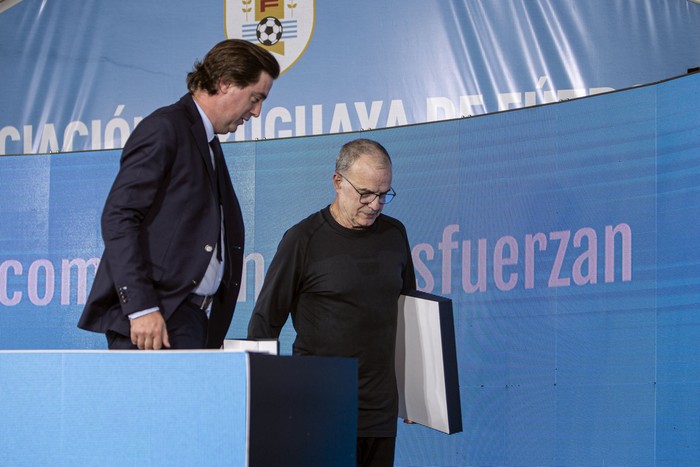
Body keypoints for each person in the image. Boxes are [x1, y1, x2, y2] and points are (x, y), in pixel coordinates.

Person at [78, 39, 280, 350]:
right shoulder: (165, 128)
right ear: (225, 83)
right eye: (255, 98)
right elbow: (119, 216)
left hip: (187, 319)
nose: (257, 111)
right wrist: (141, 307)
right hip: (156, 318)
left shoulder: (207, 141)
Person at [247, 138, 417, 467]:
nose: (376, 204)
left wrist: (417, 396)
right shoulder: (302, 240)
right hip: (317, 411)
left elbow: (412, 316)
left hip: (379, 414)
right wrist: (260, 404)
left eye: (384, 194)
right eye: (365, 193)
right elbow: (264, 322)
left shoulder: (395, 234)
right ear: (338, 182)